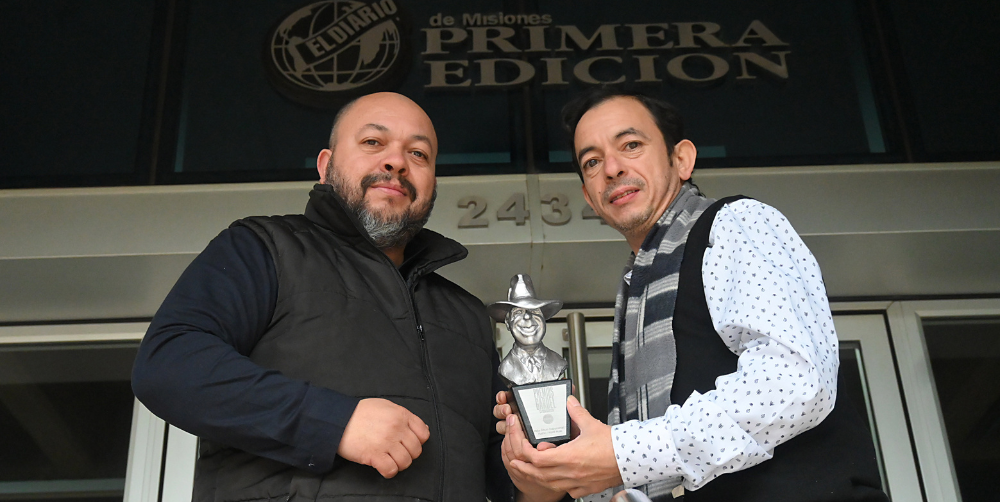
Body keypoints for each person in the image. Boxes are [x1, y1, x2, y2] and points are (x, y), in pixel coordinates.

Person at [494, 87, 888, 502]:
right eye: (591, 162)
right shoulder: (638, 290)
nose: (611, 168)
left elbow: (793, 382)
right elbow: (651, 471)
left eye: (631, 145)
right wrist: (551, 465)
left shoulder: (736, 224)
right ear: (589, 197)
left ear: (681, 159)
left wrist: (622, 451)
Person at [132, 92, 514, 502]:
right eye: (373, 142)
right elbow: (168, 364)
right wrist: (335, 422)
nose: (397, 162)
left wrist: (538, 483)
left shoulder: (469, 315)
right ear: (325, 166)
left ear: (433, 183)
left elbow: (506, 471)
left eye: (418, 154)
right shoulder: (264, 247)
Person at [489, 274, 568, 387]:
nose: (527, 316)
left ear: (543, 319)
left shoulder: (558, 362)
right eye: (518, 312)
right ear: (508, 323)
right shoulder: (505, 368)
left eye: (534, 311)